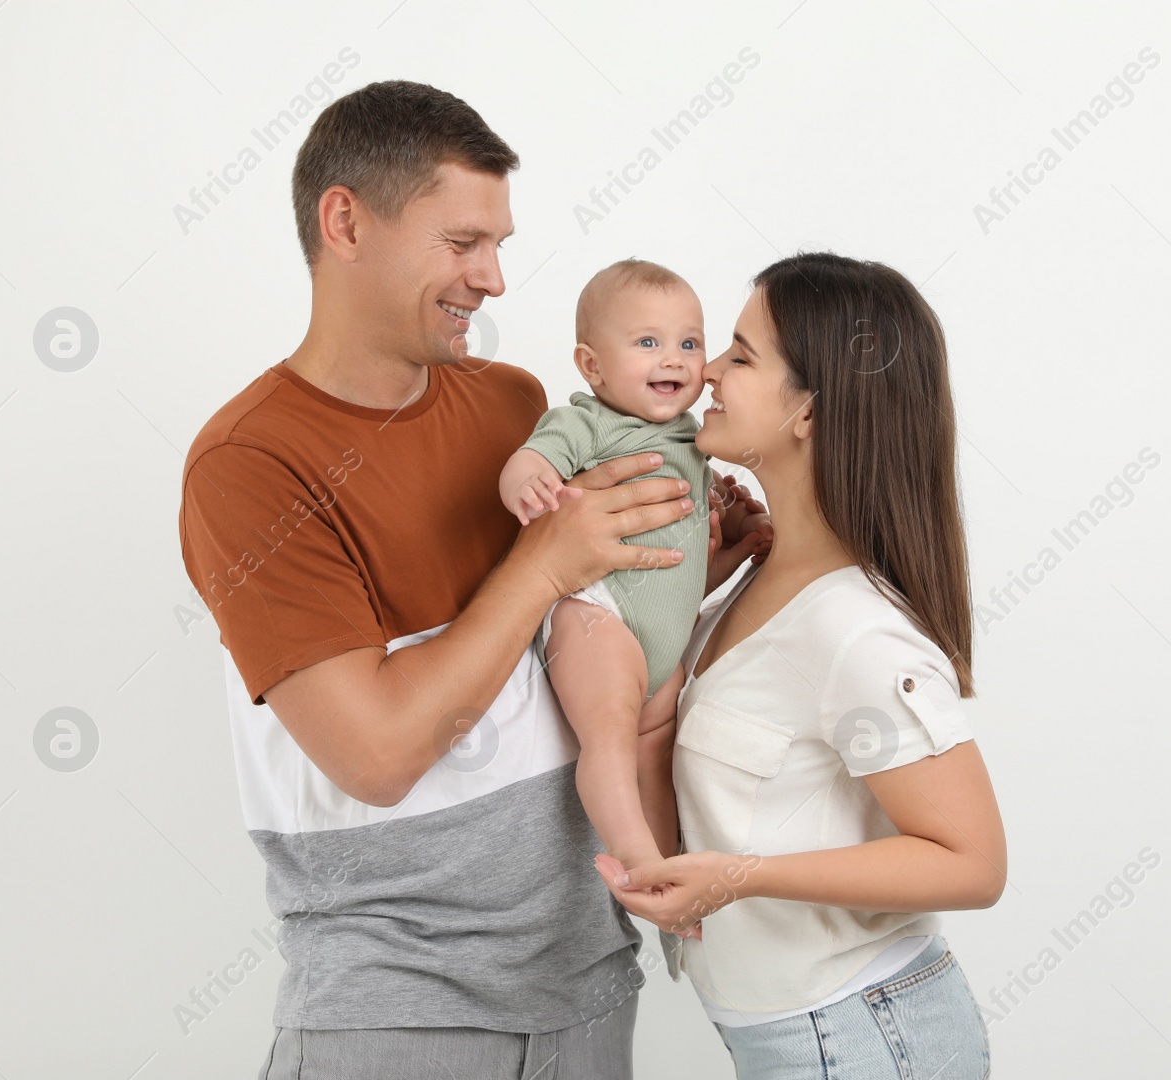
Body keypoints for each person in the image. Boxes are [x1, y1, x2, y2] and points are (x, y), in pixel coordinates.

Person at [177, 79, 762, 1080]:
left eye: (498, 244)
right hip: (398, 1015)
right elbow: (379, 754)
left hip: (583, 986)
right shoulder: (250, 462)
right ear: (345, 220)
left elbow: (550, 645)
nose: (492, 279)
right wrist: (545, 563)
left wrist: (662, 573)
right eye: (462, 243)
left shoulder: (510, 404)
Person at [597, 252, 1007, 1079]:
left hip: (862, 1040)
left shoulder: (855, 631)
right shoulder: (754, 577)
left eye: (741, 357)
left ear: (809, 412)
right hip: (801, 1038)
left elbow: (973, 862)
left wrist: (742, 878)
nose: (704, 368)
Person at [500, 258, 771, 871]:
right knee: (611, 741)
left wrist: (729, 553)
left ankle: (670, 865)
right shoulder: (590, 422)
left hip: (665, 643)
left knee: (655, 751)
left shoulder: (694, 443)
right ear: (592, 365)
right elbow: (534, 457)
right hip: (596, 616)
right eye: (648, 343)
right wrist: (528, 485)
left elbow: (677, 569)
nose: (673, 359)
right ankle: (634, 860)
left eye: (689, 343)